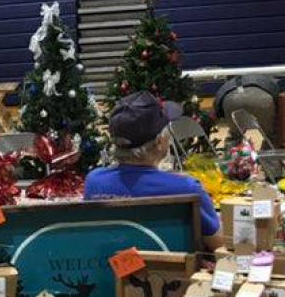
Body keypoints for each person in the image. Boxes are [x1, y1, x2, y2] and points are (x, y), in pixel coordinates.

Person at [84, 91, 225, 250]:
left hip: (112, 271)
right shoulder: (186, 188)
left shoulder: (94, 181)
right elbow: (218, 243)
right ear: (159, 141)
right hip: (173, 272)